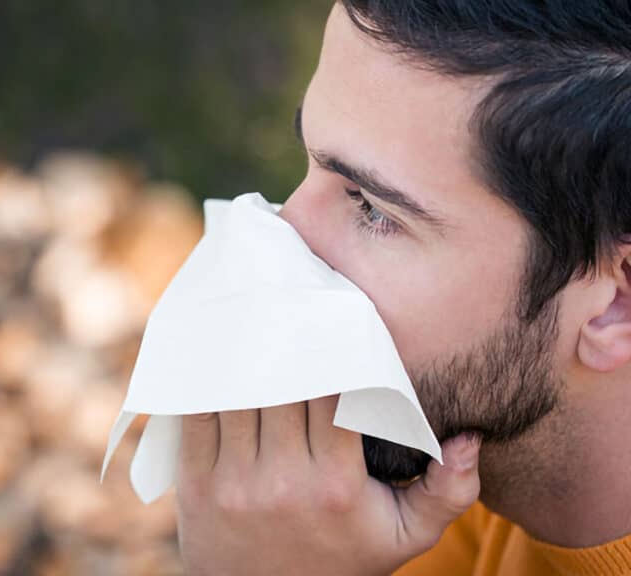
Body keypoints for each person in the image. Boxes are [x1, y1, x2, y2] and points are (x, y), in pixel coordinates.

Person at [174, 1, 631, 574]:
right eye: (308, 163)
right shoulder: (410, 504)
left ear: (616, 302)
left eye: (372, 209)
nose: (276, 244)